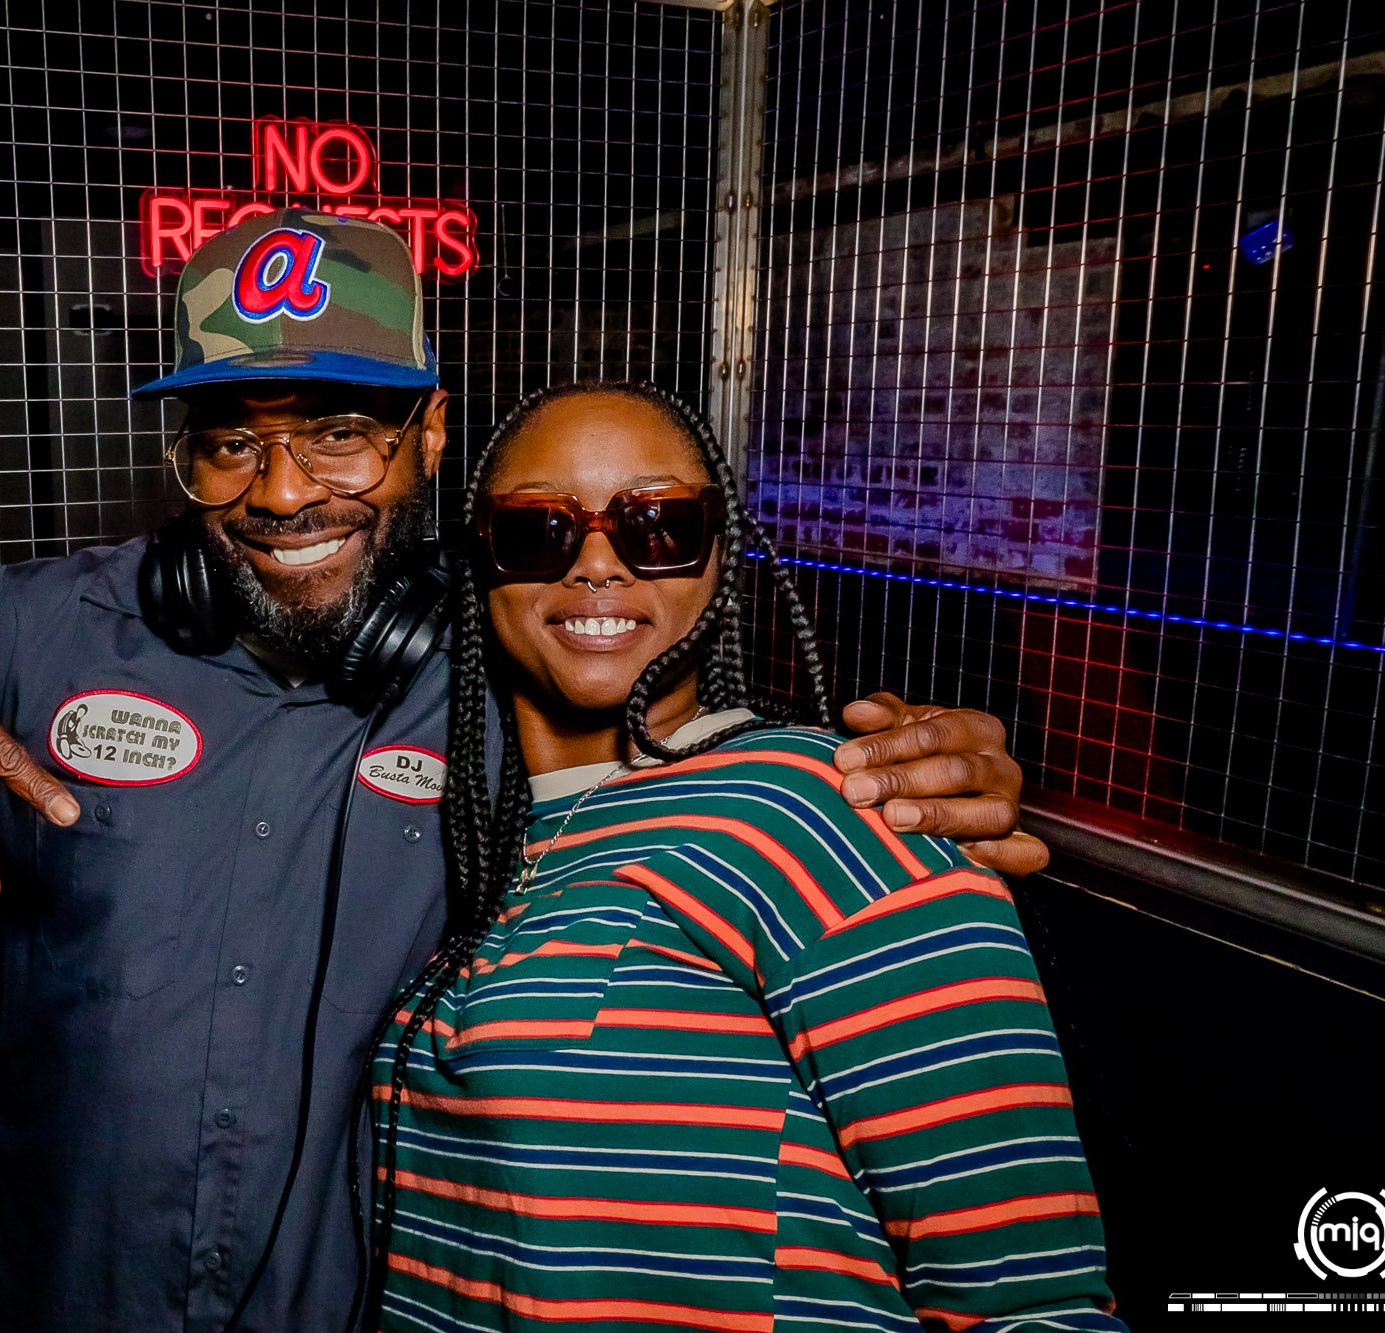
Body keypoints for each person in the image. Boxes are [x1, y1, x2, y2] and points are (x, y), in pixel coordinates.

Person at [0, 210, 1052, 1330]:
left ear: (427, 437)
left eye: (339, 430)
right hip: (45, 1296)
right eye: (231, 439)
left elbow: (686, 745)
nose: (282, 492)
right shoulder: (37, 628)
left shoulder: (505, 656)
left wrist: (904, 771)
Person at [366, 380, 1124, 1333]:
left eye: (658, 526)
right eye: (537, 530)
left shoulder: (818, 807)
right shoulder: (470, 828)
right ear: (481, 558)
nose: (597, 563)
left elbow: (1029, 1294)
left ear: (719, 554)